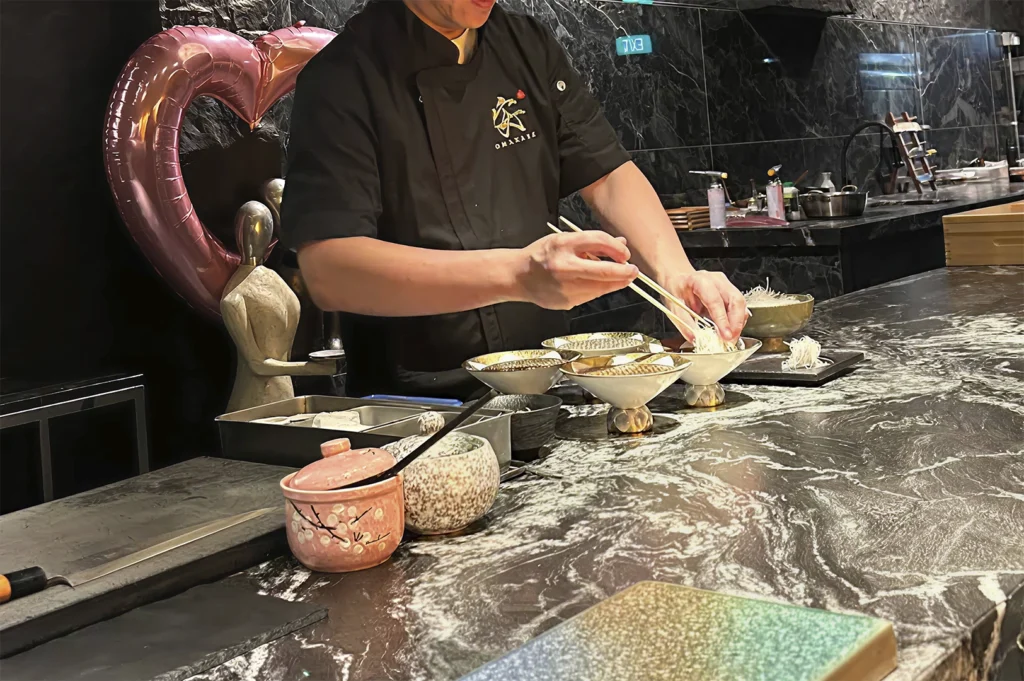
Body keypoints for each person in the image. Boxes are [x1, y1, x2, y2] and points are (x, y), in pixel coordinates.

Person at [281, 0, 747, 399]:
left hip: (549, 388)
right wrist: (518, 275)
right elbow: (331, 269)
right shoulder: (343, 76)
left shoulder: (525, 44)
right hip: (420, 409)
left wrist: (677, 277)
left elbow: (606, 173)